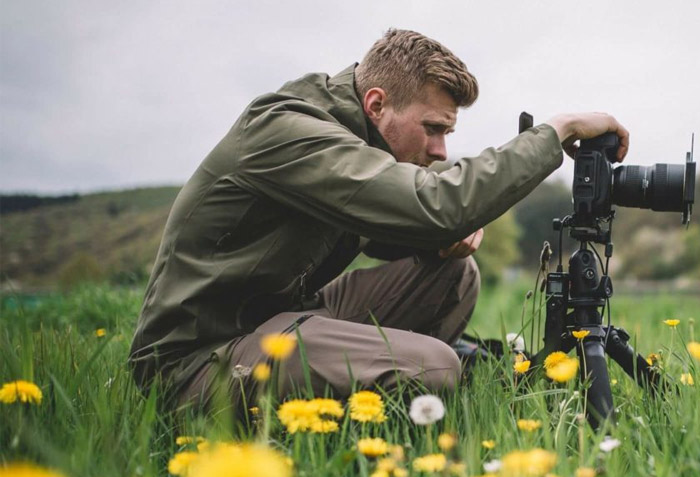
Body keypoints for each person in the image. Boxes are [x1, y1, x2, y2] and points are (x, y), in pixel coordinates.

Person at [128, 28, 629, 414]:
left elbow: (388, 232)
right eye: (432, 129)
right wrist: (553, 134)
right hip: (199, 360)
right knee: (438, 367)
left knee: (453, 274)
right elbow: (434, 204)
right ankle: (402, 398)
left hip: (283, 315)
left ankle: (383, 388)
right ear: (376, 104)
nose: (440, 150)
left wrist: (437, 244)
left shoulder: (360, 139)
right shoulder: (286, 130)